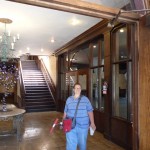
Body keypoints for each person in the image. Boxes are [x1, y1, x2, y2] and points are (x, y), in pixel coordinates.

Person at [62, 83, 96, 150]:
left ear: (81, 90)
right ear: (73, 90)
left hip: (83, 127)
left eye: (79, 88)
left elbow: (90, 111)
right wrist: (63, 123)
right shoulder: (69, 100)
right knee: (70, 146)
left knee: (82, 145)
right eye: (76, 88)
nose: (78, 89)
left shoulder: (85, 99)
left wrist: (92, 123)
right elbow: (65, 112)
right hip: (70, 126)